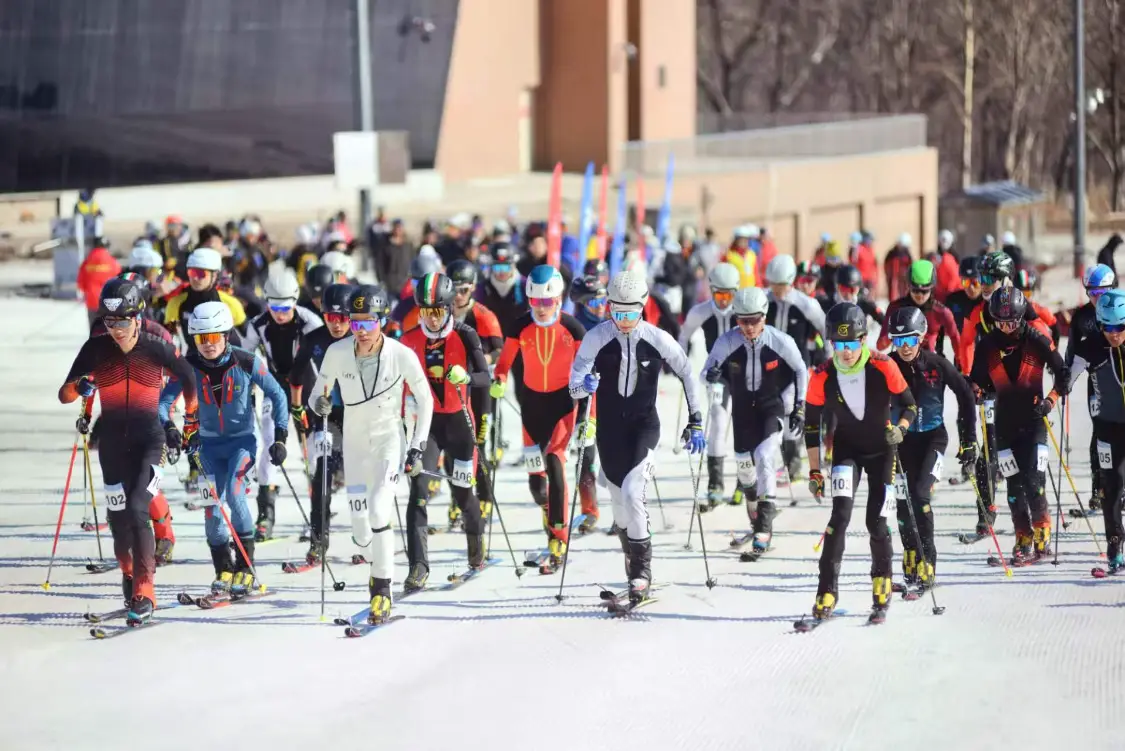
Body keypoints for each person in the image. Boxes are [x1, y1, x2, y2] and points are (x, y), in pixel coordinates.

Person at [59, 280, 198, 624]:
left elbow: (189, 377)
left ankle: (146, 589)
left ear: (138, 318)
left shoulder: (156, 347)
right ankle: (128, 572)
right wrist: (80, 387)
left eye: (123, 321)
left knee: (139, 508)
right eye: (110, 322)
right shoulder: (95, 349)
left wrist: (190, 419)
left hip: (150, 441)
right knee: (119, 524)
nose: (116, 329)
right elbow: (63, 394)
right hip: (112, 447)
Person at [569, 271, 704, 606]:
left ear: (642, 307)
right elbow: (574, 380)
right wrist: (583, 386)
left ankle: (641, 574)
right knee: (619, 509)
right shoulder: (596, 337)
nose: (624, 320)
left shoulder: (656, 338)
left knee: (633, 494)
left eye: (630, 313)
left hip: (644, 427)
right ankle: (632, 565)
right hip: (609, 431)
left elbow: (687, 371)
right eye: (617, 312)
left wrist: (696, 420)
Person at [310, 285, 433, 623]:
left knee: (381, 509)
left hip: (388, 442)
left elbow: (426, 400)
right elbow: (314, 395)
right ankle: (372, 556)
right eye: (355, 323)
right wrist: (318, 403)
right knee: (362, 532)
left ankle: (382, 590)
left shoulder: (400, 353)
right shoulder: (336, 352)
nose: (360, 332)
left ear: (382, 321)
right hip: (354, 445)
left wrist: (417, 444)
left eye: (368, 324)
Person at [160, 302, 287, 596]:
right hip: (206, 449)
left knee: (235, 494)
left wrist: (280, 436)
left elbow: (277, 394)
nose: (208, 345)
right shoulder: (187, 367)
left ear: (226, 334)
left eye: (214, 337)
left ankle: (245, 566)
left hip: (240, 443)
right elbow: (163, 403)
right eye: (201, 338)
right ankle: (223, 569)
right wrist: (169, 428)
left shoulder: (246, 361)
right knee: (213, 512)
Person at [804, 302, 917, 623]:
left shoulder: (883, 366)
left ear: (864, 340)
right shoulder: (822, 375)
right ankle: (826, 591)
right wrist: (814, 469)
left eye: (852, 344)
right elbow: (812, 427)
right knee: (838, 518)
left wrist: (902, 429)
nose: (846, 352)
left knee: (876, 522)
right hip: (846, 451)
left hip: (883, 451)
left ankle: (881, 583)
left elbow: (910, 406)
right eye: (838, 345)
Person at [399, 272, 492, 591]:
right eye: (426, 312)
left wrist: (467, 378)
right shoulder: (408, 339)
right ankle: (418, 566)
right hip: (427, 426)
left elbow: (486, 380)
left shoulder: (466, 335)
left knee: (463, 492)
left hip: (460, 423)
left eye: (438, 311)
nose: (433, 319)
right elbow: (396, 386)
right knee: (418, 492)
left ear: (450, 308)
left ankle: (476, 547)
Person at [492, 266, 589, 566]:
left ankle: (558, 538)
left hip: (563, 404)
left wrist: (590, 414)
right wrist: (499, 379)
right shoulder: (520, 326)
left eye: (547, 303)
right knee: (537, 487)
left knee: (555, 460)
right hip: (531, 405)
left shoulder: (573, 329)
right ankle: (551, 515)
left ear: (559, 300)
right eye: (536, 303)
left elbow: (588, 371)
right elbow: (504, 363)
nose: (542, 309)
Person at [702, 287, 807, 553]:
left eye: (755, 320)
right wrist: (711, 375)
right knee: (746, 472)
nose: (749, 327)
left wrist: (799, 406)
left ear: (765, 316)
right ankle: (755, 516)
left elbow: (800, 369)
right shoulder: (727, 341)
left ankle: (765, 528)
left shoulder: (779, 340)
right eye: (742, 320)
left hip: (771, 408)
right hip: (742, 414)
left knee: (765, 457)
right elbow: (705, 372)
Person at [969, 287, 1068, 565]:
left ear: (1022, 316)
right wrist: (976, 391)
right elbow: (976, 380)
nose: (1007, 327)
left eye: (1012, 321)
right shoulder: (987, 344)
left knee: (1035, 484)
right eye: (1001, 322)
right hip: (1005, 427)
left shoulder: (1037, 339)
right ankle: (1022, 536)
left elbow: (1063, 375)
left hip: (1034, 422)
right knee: (1013, 489)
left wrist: (1050, 401)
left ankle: (1042, 531)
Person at [886, 307, 976, 586]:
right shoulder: (888, 364)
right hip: (901, 442)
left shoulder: (936, 364)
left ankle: (928, 560)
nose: (904, 348)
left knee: (920, 496)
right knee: (902, 504)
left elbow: (966, 395)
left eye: (910, 340)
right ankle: (910, 551)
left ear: (922, 337)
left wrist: (969, 440)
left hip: (933, 438)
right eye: (898, 341)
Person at [241, 268, 324, 541]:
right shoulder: (258, 323)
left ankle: (318, 515)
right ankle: (266, 515)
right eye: (274, 307)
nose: (280, 313)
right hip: (276, 388)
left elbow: (327, 353)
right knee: (270, 444)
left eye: (285, 307)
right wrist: (247, 387)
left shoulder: (309, 320)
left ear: (295, 300)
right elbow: (245, 355)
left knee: (314, 451)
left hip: (308, 385)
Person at [290, 283, 354, 562]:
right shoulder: (313, 338)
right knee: (323, 475)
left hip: (357, 416)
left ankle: (367, 538)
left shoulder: (362, 337)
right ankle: (319, 539)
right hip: (325, 415)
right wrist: (297, 407)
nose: (337, 325)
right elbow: (295, 376)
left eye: (343, 319)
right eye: (331, 318)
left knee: (360, 478)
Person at [1069, 290, 1125, 571]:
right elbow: (1068, 375)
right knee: (1110, 487)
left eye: (1120, 327)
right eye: (1108, 328)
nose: (1114, 334)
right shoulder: (1090, 346)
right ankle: (1114, 543)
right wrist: (1050, 398)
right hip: (1106, 427)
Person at [448, 259, 504, 528]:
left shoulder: (483, 315)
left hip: (478, 388)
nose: (459, 296)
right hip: (451, 390)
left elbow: (499, 350)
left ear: (473, 289)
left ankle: (484, 497)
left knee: (479, 446)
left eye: (465, 290)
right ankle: (458, 498)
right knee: (453, 448)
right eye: (454, 290)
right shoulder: (441, 313)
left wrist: (478, 364)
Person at [679, 263, 740, 507]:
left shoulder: (743, 310)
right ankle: (715, 483)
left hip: (745, 375)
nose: (724, 301)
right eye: (719, 295)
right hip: (717, 375)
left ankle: (745, 484)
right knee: (717, 420)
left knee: (744, 427)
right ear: (711, 290)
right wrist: (681, 359)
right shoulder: (700, 311)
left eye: (729, 295)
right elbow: (683, 337)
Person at [764, 254, 826, 480]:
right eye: (772, 285)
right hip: (768, 365)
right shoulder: (764, 299)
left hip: (796, 366)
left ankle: (793, 463)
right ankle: (775, 458)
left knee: (791, 409)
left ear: (791, 281)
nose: (776, 290)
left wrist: (829, 359)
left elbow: (825, 329)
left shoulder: (806, 304)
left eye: (781, 286)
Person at [1064, 263, 1117, 515]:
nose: (1096, 299)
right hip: (1097, 382)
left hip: (1121, 382)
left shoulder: (1120, 306)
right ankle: (1100, 489)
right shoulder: (1083, 317)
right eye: (1091, 294)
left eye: (1101, 293)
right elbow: (1072, 350)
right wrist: (1064, 379)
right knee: (1100, 432)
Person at [164, 247, 248, 351]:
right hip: (194, 362)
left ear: (215, 275)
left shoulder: (230, 304)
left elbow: (250, 338)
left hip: (227, 362)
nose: (195, 278)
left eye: (201, 273)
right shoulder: (176, 303)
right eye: (191, 272)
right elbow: (166, 338)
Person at [876, 260, 960, 360]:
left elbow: (956, 340)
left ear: (932, 288)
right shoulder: (896, 308)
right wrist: (893, 334)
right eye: (915, 290)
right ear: (908, 287)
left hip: (931, 366)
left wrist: (962, 367)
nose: (920, 295)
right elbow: (880, 346)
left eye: (924, 291)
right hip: (903, 365)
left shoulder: (941, 312)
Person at [77, 241, 121, 328]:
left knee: (94, 329)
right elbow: (118, 282)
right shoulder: (113, 262)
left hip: (91, 300)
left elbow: (80, 283)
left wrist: (88, 291)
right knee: (108, 330)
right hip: (109, 302)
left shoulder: (86, 263)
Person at [944, 255, 983, 334]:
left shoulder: (990, 303)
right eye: (966, 282)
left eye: (975, 282)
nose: (971, 288)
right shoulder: (953, 301)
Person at [884, 234, 913, 302]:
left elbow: (910, 265)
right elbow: (887, 265)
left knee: (904, 294)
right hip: (894, 278)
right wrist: (890, 275)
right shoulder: (892, 254)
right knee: (893, 295)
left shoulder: (907, 254)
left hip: (904, 278)